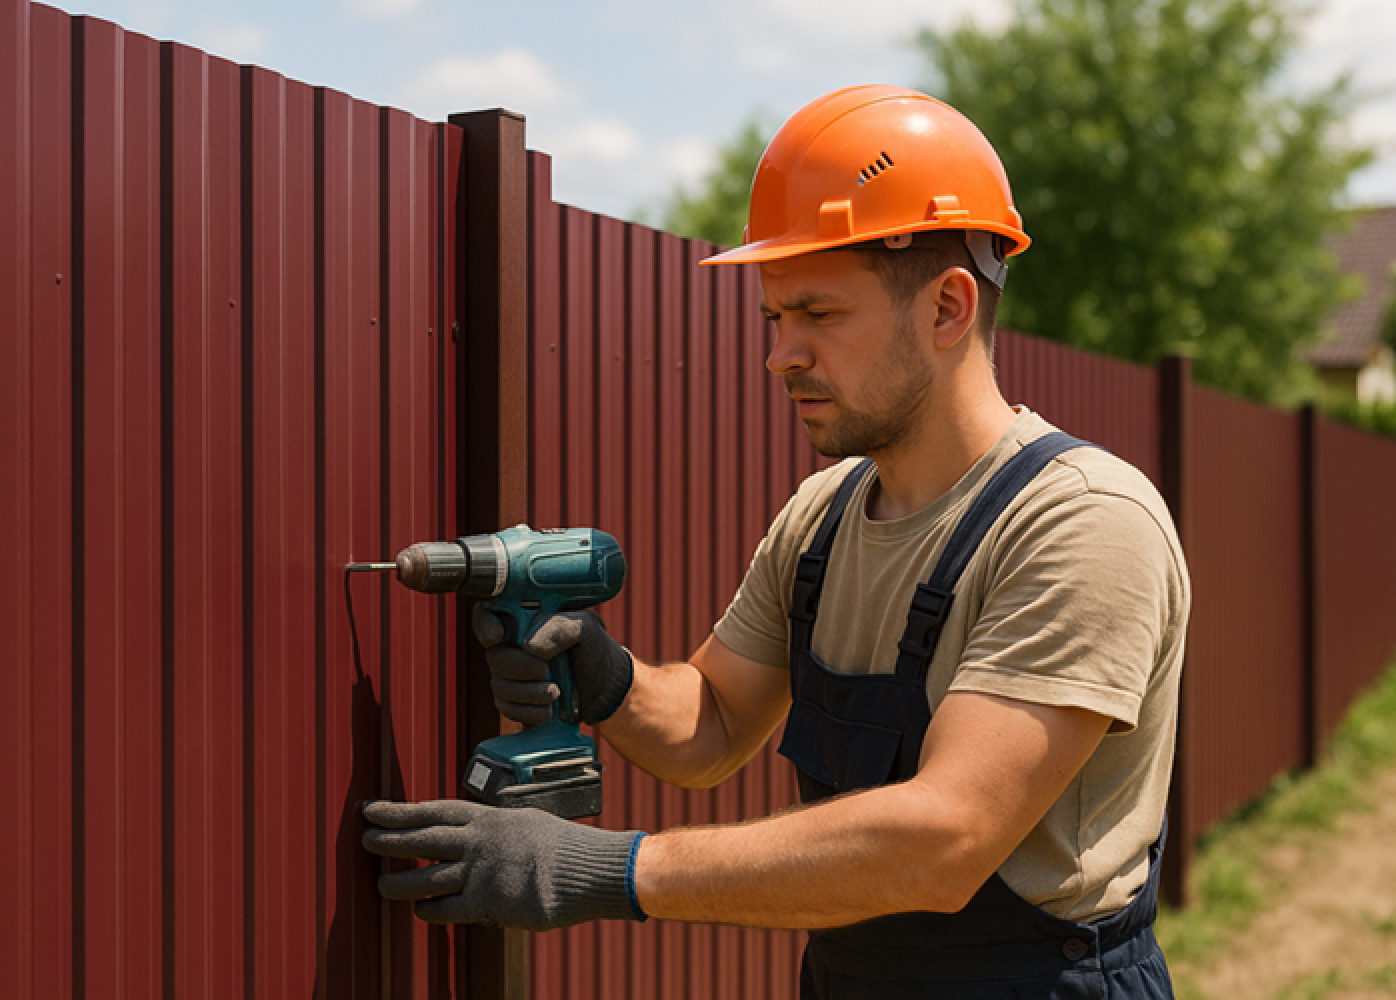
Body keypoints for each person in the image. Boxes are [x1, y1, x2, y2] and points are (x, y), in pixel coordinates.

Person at [363, 85, 1188, 999]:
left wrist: (601, 870)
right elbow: (711, 725)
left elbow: (945, 839)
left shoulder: (1082, 521)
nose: (779, 354)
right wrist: (606, 675)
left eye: (819, 315)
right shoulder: (826, 515)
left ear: (950, 306)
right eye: (774, 316)